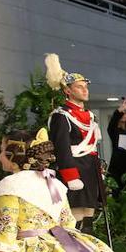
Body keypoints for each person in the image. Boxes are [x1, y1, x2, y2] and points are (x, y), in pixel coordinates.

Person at [45, 54, 103, 233]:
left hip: (90, 170)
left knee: (89, 218)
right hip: (75, 173)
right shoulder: (61, 116)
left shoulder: (89, 116)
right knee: (75, 220)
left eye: (85, 87)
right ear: (68, 91)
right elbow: (62, 149)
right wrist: (71, 176)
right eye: (79, 87)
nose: (85, 90)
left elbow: (93, 147)